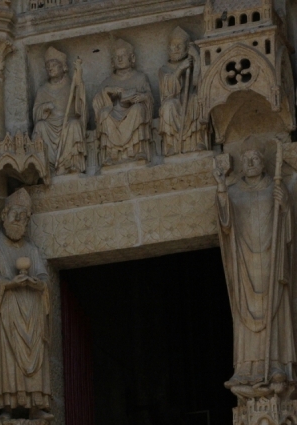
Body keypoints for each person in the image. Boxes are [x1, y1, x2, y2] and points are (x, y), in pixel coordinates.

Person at [215, 147, 296, 387]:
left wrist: (285, 207)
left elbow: (289, 231)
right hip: (244, 265)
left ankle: (277, 364)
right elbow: (225, 224)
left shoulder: (275, 188)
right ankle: (246, 367)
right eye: (246, 158)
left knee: (278, 306)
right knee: (244, 314)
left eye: (256, 158)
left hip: (271, 261)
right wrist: (221, 188)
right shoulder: (234, 192)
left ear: (264, 163)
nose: (250, 162)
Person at [0, 188, 51, 419]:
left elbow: (44, 278)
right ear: (3, 215)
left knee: (36, 354)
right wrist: (9, 284)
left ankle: (35, 405)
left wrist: (35, 282)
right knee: (4, 355)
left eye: (24, 217)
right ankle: (6, 407)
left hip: (31, 311)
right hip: (6, 312)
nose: (20, 221)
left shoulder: (31, 250)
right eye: (15, 215)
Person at [93, 38, 153, 166]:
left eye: (123, 56)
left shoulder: (140, 77)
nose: (120, 59)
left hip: (132, 113)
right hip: (114, 112)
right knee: (104, 114)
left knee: (138, 109)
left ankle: (137, 150)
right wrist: (108, 92)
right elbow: (98, 102)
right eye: (116, 57)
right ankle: (111, 153)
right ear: (112, 62)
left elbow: (149, 97)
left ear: (132, 58)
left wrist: (142, 97)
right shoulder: (107, 82)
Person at [32, 47, 86, 176]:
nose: (50, 68)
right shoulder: (42, 90)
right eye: (47, 66)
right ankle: (48, 166)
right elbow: (35, 113)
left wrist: (79, 85)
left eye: (54, 65)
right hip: (50, 125)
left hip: (67, 124)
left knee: (74, 125)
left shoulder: (71, 86)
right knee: (40, 126)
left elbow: (81, 107)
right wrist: (43, 108)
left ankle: (70, 164)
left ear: (64, 67)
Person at [158, 27, 208, 156]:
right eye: (172, 46)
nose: (175, 49)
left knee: (196, 100)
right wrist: (180, 69)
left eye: (179, 46)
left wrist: (196, 59)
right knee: (168, 107)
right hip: (174, 102)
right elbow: (168, 90)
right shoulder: (164, 69)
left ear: (187, 48)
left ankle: (198, 140)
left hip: (189, 100)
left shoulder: (192, 64)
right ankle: (171, 145)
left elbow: (199, 83)